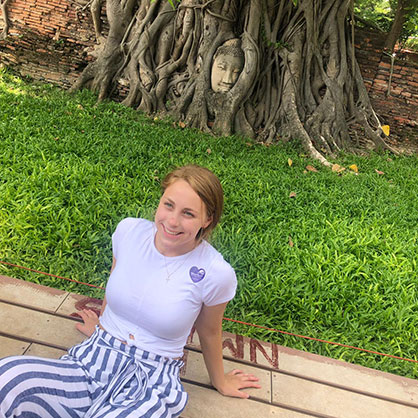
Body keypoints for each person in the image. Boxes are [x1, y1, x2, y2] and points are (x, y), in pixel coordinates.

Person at [0, 164, 260, 417]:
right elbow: (114, 283)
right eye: (168, 205)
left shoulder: (215, 272)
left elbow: (210, 330)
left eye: (188, 214)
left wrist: (220, 381)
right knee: (8, 379)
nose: (172, 221)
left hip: (151, 380)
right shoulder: (130, 232)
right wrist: (102, 327)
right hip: (93, 359)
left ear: (207, 219)